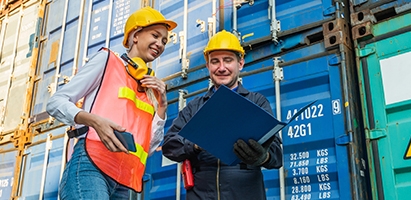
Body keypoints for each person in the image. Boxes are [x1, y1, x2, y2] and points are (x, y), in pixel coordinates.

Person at [46, 6, 177, 199]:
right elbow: (55, 102)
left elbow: (147, 149)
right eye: (155, 36)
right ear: (135, 36)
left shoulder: (150, 89)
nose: (160, 44)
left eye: (164, 41)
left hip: (123, 181)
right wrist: (94, 121)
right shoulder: (107, 60)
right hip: (90, 166)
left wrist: (162, 107)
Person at [162, 30, 283, 199]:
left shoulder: (257, 102)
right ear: (207, 66)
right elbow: (169, 147)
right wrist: (197, 144)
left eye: (228, 61)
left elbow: (277, 156)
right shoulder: (194, 107)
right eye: (215, 62)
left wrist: (263, 157)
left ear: (240, 63)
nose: (221, 68)